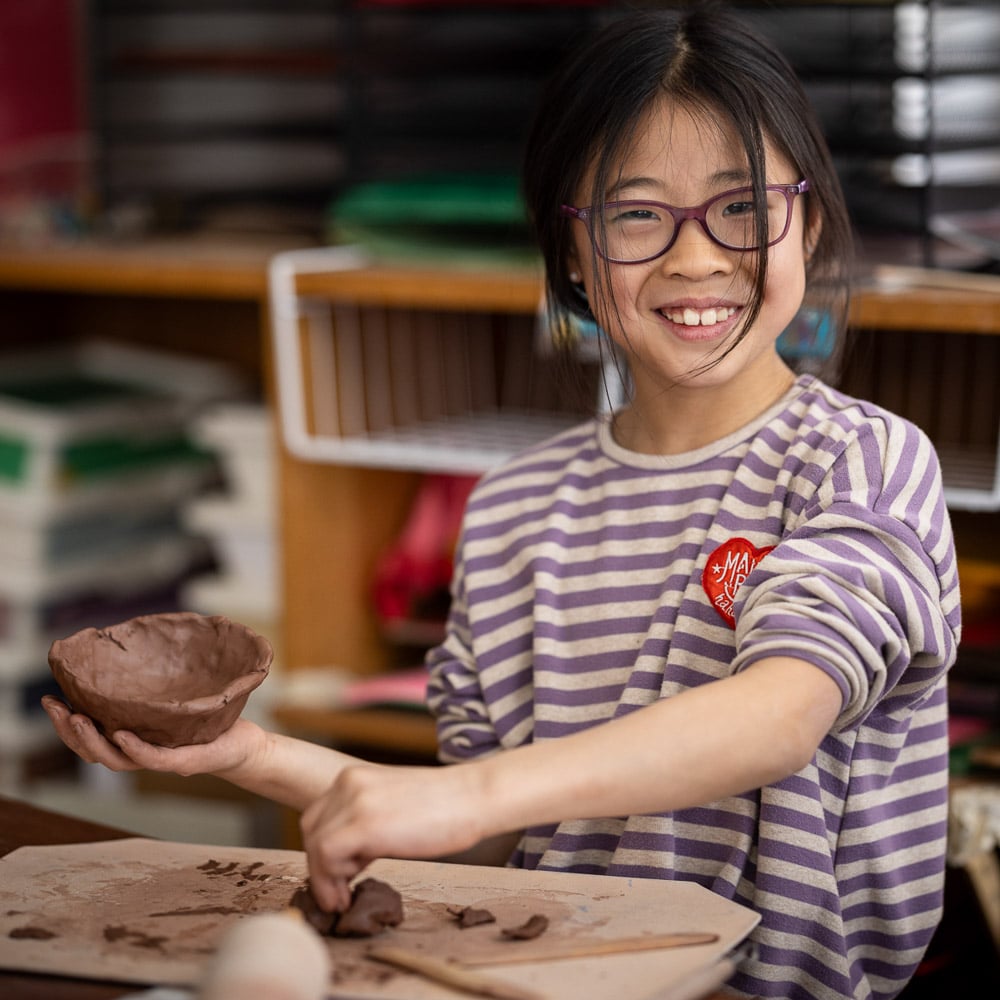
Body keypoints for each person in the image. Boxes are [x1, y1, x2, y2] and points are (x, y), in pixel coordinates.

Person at [43, 4, 961, 999]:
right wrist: (248, 754)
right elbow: (484, 833)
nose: (696, 257)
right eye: (636, 215)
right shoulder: (511, 513)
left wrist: (470, 795)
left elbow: (779, 714)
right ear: (570, 252)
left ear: (808, 224)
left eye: (742, 206)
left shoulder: (865, 462)